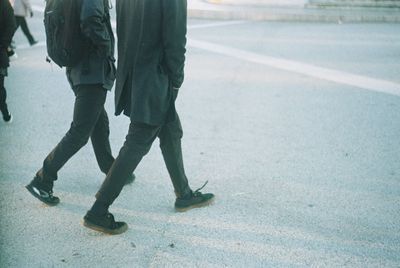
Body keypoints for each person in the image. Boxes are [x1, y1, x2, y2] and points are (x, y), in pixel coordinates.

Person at [83, 0, 215, 235]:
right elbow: (175, 40)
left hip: (134, 72)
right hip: (155, 77)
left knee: (170, 128)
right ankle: (98, 209)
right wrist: (176, 80)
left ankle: (183, 193)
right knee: (137, 141)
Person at [26, 0, 133, 206]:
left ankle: (111, 169)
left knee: (99, 123)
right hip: (91, 72)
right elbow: (90, 19)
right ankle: (43, 179)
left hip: (79, 68)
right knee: (79, 133)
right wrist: (107, 48)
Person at [0, 0, 16, 123]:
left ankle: (5, 112)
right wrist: (4, 44)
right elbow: (11, 25)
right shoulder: (4, 4)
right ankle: (5, 112)